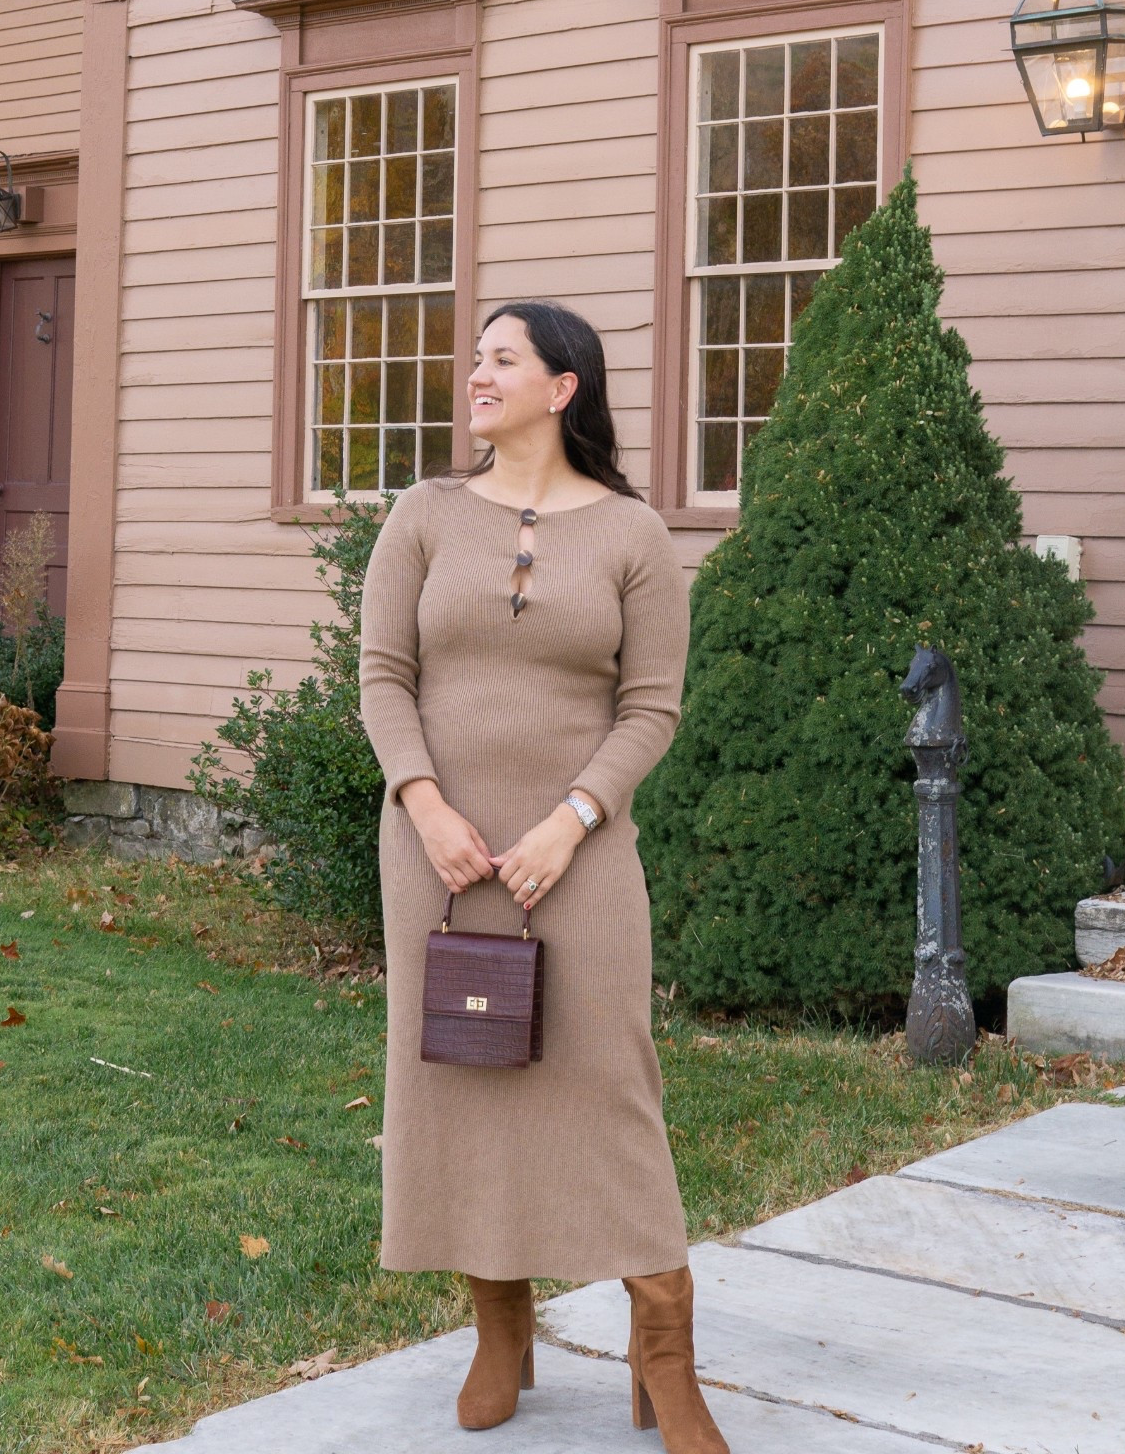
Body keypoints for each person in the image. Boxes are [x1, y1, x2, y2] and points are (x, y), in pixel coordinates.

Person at [359, 299, 730, 1453]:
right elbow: (382, 675)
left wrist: (572, 820)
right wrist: (426, 805)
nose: (477, 372)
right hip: (443, 853)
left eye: (501, 357)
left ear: (562, 385)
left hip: (580, 852)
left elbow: (651, 706)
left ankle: (661, 1352)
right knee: (468, 1082)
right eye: (477, 355)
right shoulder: (423, 515)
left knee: (610, 1080)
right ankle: (499, 1330)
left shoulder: (631, 534)